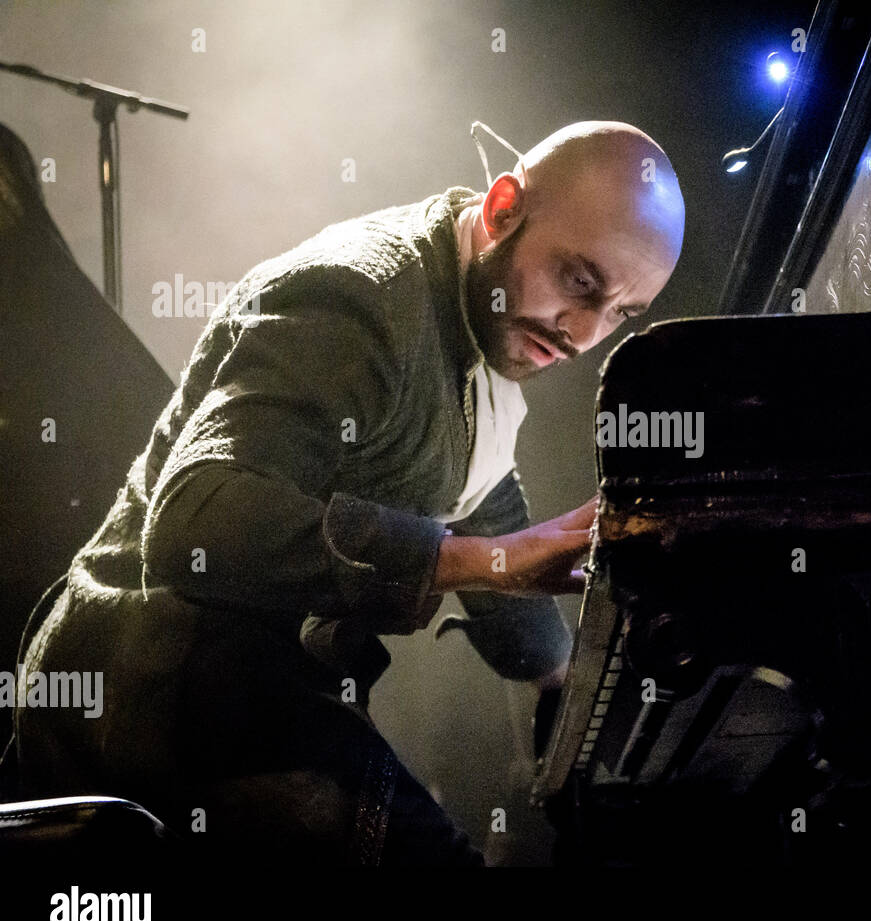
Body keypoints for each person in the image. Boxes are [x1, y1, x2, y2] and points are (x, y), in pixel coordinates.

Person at [5, 120, 686, 865]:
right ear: (501, 211)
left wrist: (577, 688)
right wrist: (479, 560)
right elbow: (194, 520)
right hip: (150, 681)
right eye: (579, 282)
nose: (584, 334)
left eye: (620, 313)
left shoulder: (494, 313)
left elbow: (483, 501)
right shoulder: (360, 298)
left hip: (246, 688)